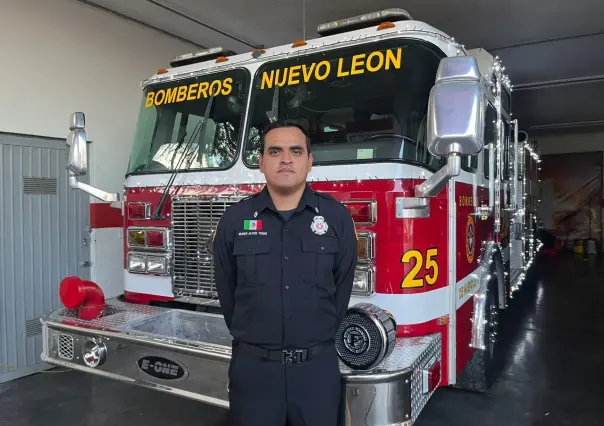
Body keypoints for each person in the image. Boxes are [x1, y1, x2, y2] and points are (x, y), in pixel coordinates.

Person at [212, 118, 358, 426]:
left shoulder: (336, 218)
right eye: (275, 151)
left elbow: (341, 288)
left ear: (309, 162)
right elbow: (228, 294)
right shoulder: (234, 220)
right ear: (261, 162)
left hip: (316, 374)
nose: (286, 159)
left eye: (296, 150)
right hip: (254, 374)